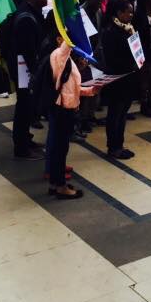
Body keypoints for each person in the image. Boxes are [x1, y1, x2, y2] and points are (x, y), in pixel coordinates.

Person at [48, 34, 99, 199]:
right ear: (58, 39)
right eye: (65, 37)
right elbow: (67, 46)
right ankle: (60, 186)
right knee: (59, 148)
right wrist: (70, 29)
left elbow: (72, 87)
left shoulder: (67, 59)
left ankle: (57, 183)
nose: (71, 41)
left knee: (61, 148)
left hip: (68, 109)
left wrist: (90, 90)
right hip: (62, 109)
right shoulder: (58, 56)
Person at [10, 0, 48, 159]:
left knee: (28, 106)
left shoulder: (32, 12)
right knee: (24, 107)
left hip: (27, 69)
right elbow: (28, 50)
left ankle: (26, 138)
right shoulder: (26, 17)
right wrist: (36, 73)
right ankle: (21, 147)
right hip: (24, 70)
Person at [100, 0, 140, 159]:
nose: (130, 15)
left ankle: (119, 144)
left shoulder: (128, 29)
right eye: (127, 12)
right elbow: (112, 58)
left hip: (128, 77)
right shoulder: (111, 32)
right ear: (118, 13)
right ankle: (113, 146)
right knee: (115, 113)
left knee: (122, 113)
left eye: (131, 12)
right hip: (117, 79)